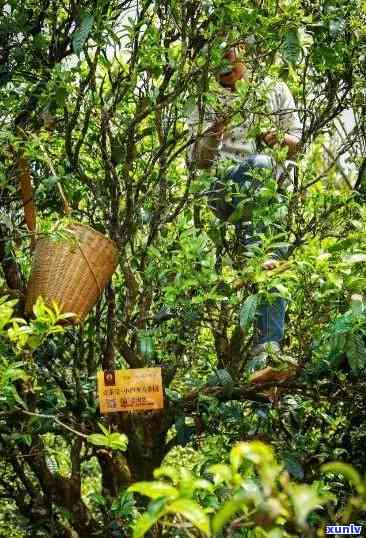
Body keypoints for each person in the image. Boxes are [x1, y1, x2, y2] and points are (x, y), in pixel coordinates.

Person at [187, 46, 302, 383]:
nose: (228, 73)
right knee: (262, 169)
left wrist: (275, 136)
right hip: (224, 190)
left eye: (233, 62)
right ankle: (261, 261)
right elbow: (198, 161)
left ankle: (266, 354)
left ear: (244, 57)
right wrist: (215, 131)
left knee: (275, 258)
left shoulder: (272, 88)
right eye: (220, 66)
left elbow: (297, 139)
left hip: (267, 193)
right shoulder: (203, 97)